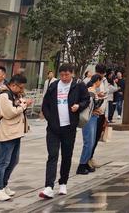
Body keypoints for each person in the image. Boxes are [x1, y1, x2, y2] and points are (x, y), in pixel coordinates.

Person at [39, 64, 88, 199]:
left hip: (69, 127)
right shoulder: (54, 86)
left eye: (67, 75)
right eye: (62, 75)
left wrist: (79, 106)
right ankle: (49, 186)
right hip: (53, 128)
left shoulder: (78, 85)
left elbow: (86, 100)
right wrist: (50, 119)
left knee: (67, 155)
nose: (64, 77)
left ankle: (63, 182)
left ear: (72, 73)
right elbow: (45, 104)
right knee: (52, 156)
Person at [0, 73, 31, 202]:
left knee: (13, 161)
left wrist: (21, 102)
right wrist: (23, 106)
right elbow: (9, 113)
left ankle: (3, 185)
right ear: (13, 85)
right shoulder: (3, 95)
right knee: (3, 162)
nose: (22, 90)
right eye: (20, 87)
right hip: (6, 133)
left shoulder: (12, 94)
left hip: (15, 132)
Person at [77, 73, 107, 174]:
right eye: (100, 81)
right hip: (89, 119)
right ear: (97, 81)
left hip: (94, 117)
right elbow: (88, 104)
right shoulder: (90, 90)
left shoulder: (93, 91)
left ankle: (86, 163)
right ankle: (82, 164)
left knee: (92, 141)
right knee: (88, 142)